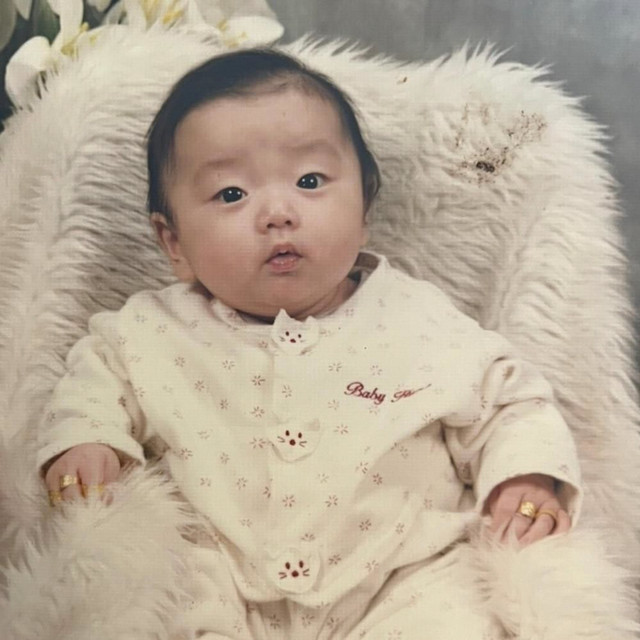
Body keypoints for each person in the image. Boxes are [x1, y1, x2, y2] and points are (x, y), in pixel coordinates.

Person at [37, 48, 581, 639]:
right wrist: (87, 441)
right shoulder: (147, 332)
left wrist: (524, 475)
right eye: (231, 194)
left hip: (400, 580)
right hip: (217, 580)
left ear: (364, 208)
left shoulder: (418, 319)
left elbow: (507, 399)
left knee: (454, 615)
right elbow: (94, 384)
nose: (278, 213)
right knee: (158, 604)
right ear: (173, 243)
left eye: (310, 181)